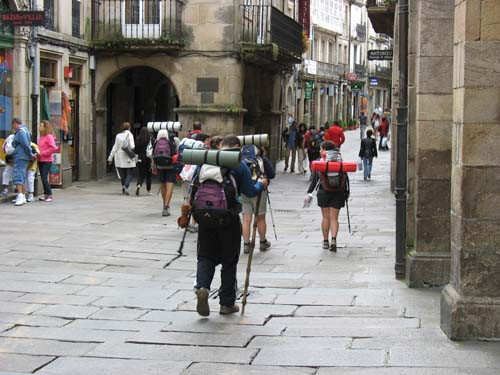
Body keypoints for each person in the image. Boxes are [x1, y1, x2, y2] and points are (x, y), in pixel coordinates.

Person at [192, 134, 268, 317]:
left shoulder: (205, 160)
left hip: (205, 217)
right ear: (236, 147)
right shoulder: (238, 164)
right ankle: (226, 303)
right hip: (228, 218)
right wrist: (261, 184)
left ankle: (202, 287)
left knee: (205, 256)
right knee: (229, 261)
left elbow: (194, 185)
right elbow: (249, 191)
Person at [305, 141, 348, 252]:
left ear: (325, 150)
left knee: (325, 217)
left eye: (321, 149)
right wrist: (347, 193)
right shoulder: (339, 161)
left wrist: (309, 193)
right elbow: (345, 178)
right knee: (334, 218)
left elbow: (314, 180)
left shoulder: (320, 162)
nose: (320, 151)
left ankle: (325, 241)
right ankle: (333, 239)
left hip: (323, 192)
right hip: (338, 193)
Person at [241, 145, 275, 254]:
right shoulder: (262, 159)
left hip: (244, 191)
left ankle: (246, 244)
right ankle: (262, 242)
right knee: (260, 218)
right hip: (260, 190)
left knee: (246, 219)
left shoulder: (241, 159)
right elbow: (272, 174)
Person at [152, 129, 179, 216]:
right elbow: (177, 152)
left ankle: (164, 205)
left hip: (160, 165)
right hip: (170, 165)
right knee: (169, 185)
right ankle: (166, 206)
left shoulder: (156, 141)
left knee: (163, 184)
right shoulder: (174, 140)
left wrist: (153, 166)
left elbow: (152, 154)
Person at [108, 122, 136, 195]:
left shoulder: (118, 136)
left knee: (122, 175)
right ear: (129, 128)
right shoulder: (130, 135)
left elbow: (115, 147)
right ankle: (126, 186)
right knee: (130, 172)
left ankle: (123, 187)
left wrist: (110, 158)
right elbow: (132, 146)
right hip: (127, 156)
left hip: (119, 157)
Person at [11, 118, 33, 206]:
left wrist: (30, 153)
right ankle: (23, 196)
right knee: (22, 175)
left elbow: (25, 144)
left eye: (13, 125)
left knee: (18, 174)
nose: (13, 127)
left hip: (20, 156)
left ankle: (20, 195)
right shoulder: (25, 130)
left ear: (16, 123)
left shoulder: (21, 131)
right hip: (23, 156)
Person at [37, 120, 57, 202]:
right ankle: (46, 195)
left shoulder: (49, 136)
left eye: (41, 126)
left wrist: (43, 153)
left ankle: (50, 195)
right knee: (43, 177)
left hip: (47, 160)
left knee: (44, 178)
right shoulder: (41, 137)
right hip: (41, 160)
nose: (39, 127)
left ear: (45, 127)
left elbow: (53, 148)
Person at [134, 127, 152, 196]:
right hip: (148, 158)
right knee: (148, 175)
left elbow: (136, 150)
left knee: (141, 174)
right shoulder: (149, 139)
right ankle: (148, 190)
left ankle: (139, 185)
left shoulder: (138, 139)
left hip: (140, 158)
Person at [1, 132, 15, 197]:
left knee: (7, 173)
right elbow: (3, 147)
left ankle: (6, 190)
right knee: (7, 173)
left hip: (13, 157)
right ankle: (6, 190)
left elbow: (3, 147)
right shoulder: (11, 137)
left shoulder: (10, 137)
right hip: (14, 157)